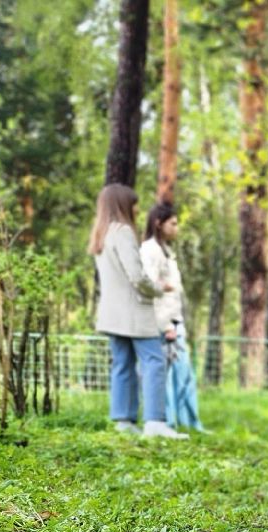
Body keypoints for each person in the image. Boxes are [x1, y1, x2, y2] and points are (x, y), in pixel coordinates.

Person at [89, 184, 183, 439]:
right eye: (134, 203)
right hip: (133, 311)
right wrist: (158, 289)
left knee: (122, 364)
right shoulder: (123, 232)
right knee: (154, 362)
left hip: (111, 312)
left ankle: (124, 420)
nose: (137, 208)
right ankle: (155, 421)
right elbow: (137, 276)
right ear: (122, 204)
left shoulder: (101, 234)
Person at [140, 202, 203, 433]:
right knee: (163, 375)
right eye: (173, 223)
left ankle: (190, 422)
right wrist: (165, 325)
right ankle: (166, 422)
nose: (177, 228)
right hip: (163, 322)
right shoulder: (150, 250)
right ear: (159, 223)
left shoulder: (166, 250)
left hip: (175, 318)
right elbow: (150, 288)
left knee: (184, 373)